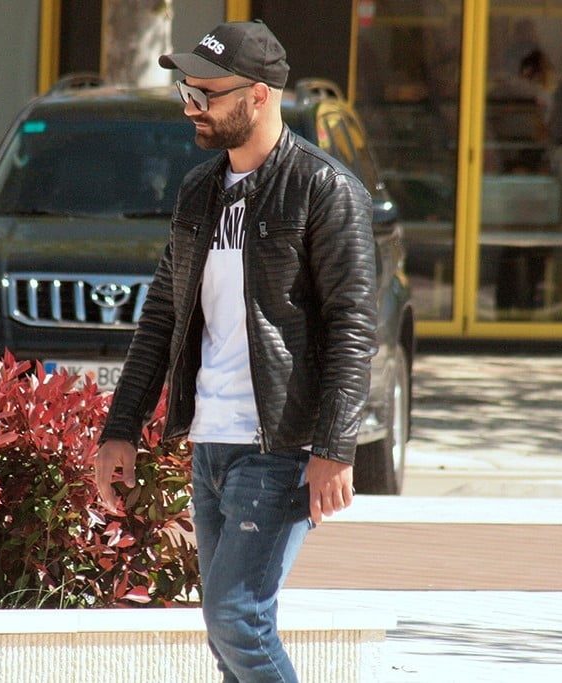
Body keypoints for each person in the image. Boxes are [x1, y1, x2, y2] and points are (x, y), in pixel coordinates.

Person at [93, 20, 378, 683]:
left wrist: (335, 447)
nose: (191, 107)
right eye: (186, 92)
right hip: (212, 441)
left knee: (236, 618)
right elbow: (163, 316)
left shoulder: (323, 189)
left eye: (206, 95)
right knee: (229, 641)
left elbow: (352, 325)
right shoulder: (200, 190)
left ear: (258, 95)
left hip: (280, 445)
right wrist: (120, 428)